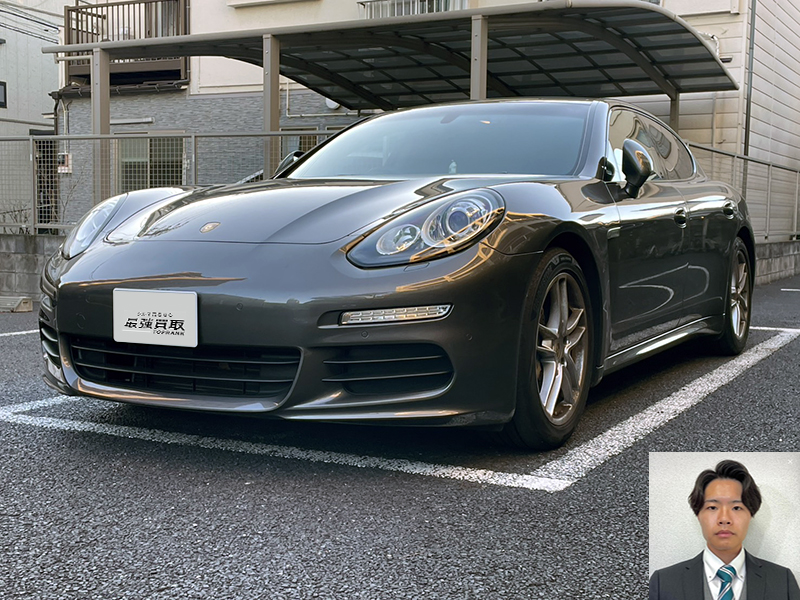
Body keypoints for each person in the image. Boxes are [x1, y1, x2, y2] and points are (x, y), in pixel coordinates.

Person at [649, 459, 800, 600]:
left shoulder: (783, 581)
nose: (724, 519)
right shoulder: (663, 583)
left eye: (736, 507)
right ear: (698, 515)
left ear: (751, 515)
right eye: (712, 507)